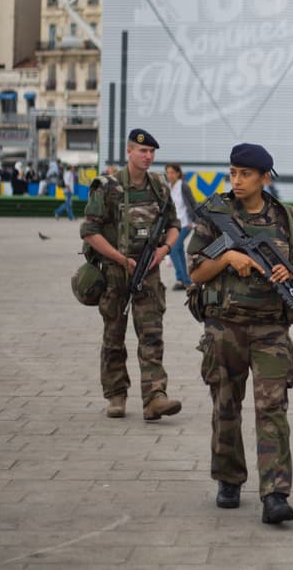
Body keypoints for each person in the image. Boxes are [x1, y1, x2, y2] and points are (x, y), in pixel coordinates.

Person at [186, 143, 293, 525]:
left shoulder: (287, 217)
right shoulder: (216, 216)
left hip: (270, 330)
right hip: (224, 326)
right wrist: (228, 258)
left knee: (272, 409)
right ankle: (229, 480)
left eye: (245, 174)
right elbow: (194, 272)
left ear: (265, 177)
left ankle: (275, 493)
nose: (237, 180)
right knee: (225, 406)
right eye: (233, 172)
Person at [80, 129, 182, 421]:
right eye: (142, 151)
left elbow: (174, 225)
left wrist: (163, 251)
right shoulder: (107, 187)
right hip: (115, 274)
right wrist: (121, 259)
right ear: (129, 152)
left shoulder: (159, 187)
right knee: (114, 336)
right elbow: (89, 231)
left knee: (152, 336)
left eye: (151, 152)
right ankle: (116, 394)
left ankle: (155, 397)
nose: (148, 156)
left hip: (148, 274)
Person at [165, 163, 192, 291]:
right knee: (179, 250)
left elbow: (192, 203)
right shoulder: (168, 187)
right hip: (175, 225)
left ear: (178, 173)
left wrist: (195, 221)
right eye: (168, 173)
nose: (170, 175)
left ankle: (183, 279)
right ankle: (185, 280)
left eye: (172, 172)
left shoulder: (183, 186)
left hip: (186, 223)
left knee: (174, 249)